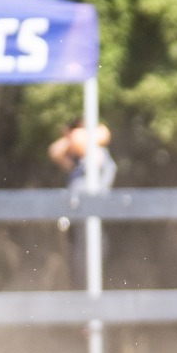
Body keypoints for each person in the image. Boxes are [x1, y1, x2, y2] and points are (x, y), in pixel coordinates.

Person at [49, 118, 115, 291]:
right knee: (77, 274)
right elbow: (55, 151)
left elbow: (99, 139)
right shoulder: (78, 162)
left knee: (89, 274)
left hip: (91, 223)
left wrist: (86, 136)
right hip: (77, 225)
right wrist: (73, 137)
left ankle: (92, 313)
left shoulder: (98, 155)